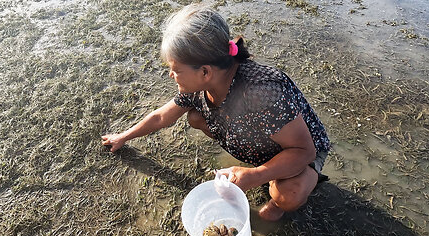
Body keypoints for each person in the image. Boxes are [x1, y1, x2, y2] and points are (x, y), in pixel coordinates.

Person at [101, 4, 331, 221]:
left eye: (176, 70)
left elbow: (304, 150)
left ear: (204, 72)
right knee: (195, 118)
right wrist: (123, 137)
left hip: (301, 148)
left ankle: (279, 200)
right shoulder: (200, 87)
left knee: (287, 194)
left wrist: (255, 175)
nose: (171, 76)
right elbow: (162, 116)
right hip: (264, 139)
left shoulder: (262, 92)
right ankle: (262, 164)